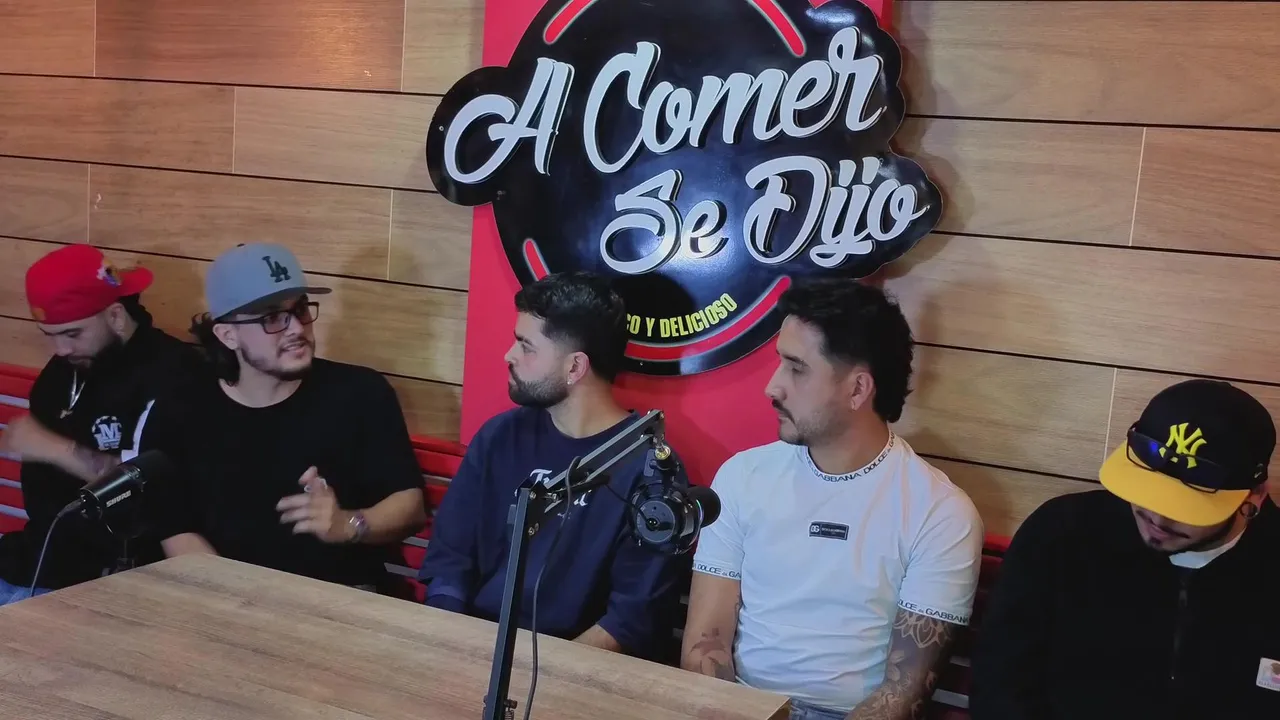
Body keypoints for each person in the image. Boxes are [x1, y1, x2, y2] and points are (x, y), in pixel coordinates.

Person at [682, 278, 984, 719]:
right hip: (742, 706)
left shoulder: (941, 514)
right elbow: (705, 642)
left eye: (796, 368)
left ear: (858, 389)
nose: (772, 387)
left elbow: (902, 695)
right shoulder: (741, 477)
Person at [970, 379, 1280, 719]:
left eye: (1187, 506)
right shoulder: (1063, 532)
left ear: (1255, 495)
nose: (1158, 517)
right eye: (1147, 489)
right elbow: (999, 682)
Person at [418, 271, 689, 659]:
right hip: (471, 649)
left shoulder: (651, 470)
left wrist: (543, 676)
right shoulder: (499, 437)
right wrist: (450, 646)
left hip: (572, 670)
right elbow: (449, 561)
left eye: (526, 346)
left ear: (575, 367)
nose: (509, 355)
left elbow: (631, 619)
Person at [134, 243, 427, 593]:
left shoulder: (361, 393)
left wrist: (349, 524)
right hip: (222, 599)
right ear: (227, 335)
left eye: (300, 309)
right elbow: (175, 529)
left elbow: (410, 506)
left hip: (342, 600)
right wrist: (236, 601)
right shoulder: (181, 408)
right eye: (271, 318)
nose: (296, 328)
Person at [0, 244, 200, 603]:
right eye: (50, 335)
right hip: (38, 559)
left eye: (72, 334)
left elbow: (158, 493)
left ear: (116, 316)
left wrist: (57, 449)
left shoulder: (174, 375)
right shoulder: (64, 371)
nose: (60, 350)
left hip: (109, 581)